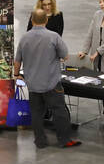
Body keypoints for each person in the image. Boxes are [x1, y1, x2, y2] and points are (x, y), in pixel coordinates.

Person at [13, 8, 79, 149]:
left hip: (32, 84)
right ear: (46, 20)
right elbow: (65, 56)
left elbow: (17, 60)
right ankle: (64, 140)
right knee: (59, 111)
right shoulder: (53, 37)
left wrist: (17, 74)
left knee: (36, 113)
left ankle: (40, 141)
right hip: (51, 83)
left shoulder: (24, 38)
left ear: (32, 20)